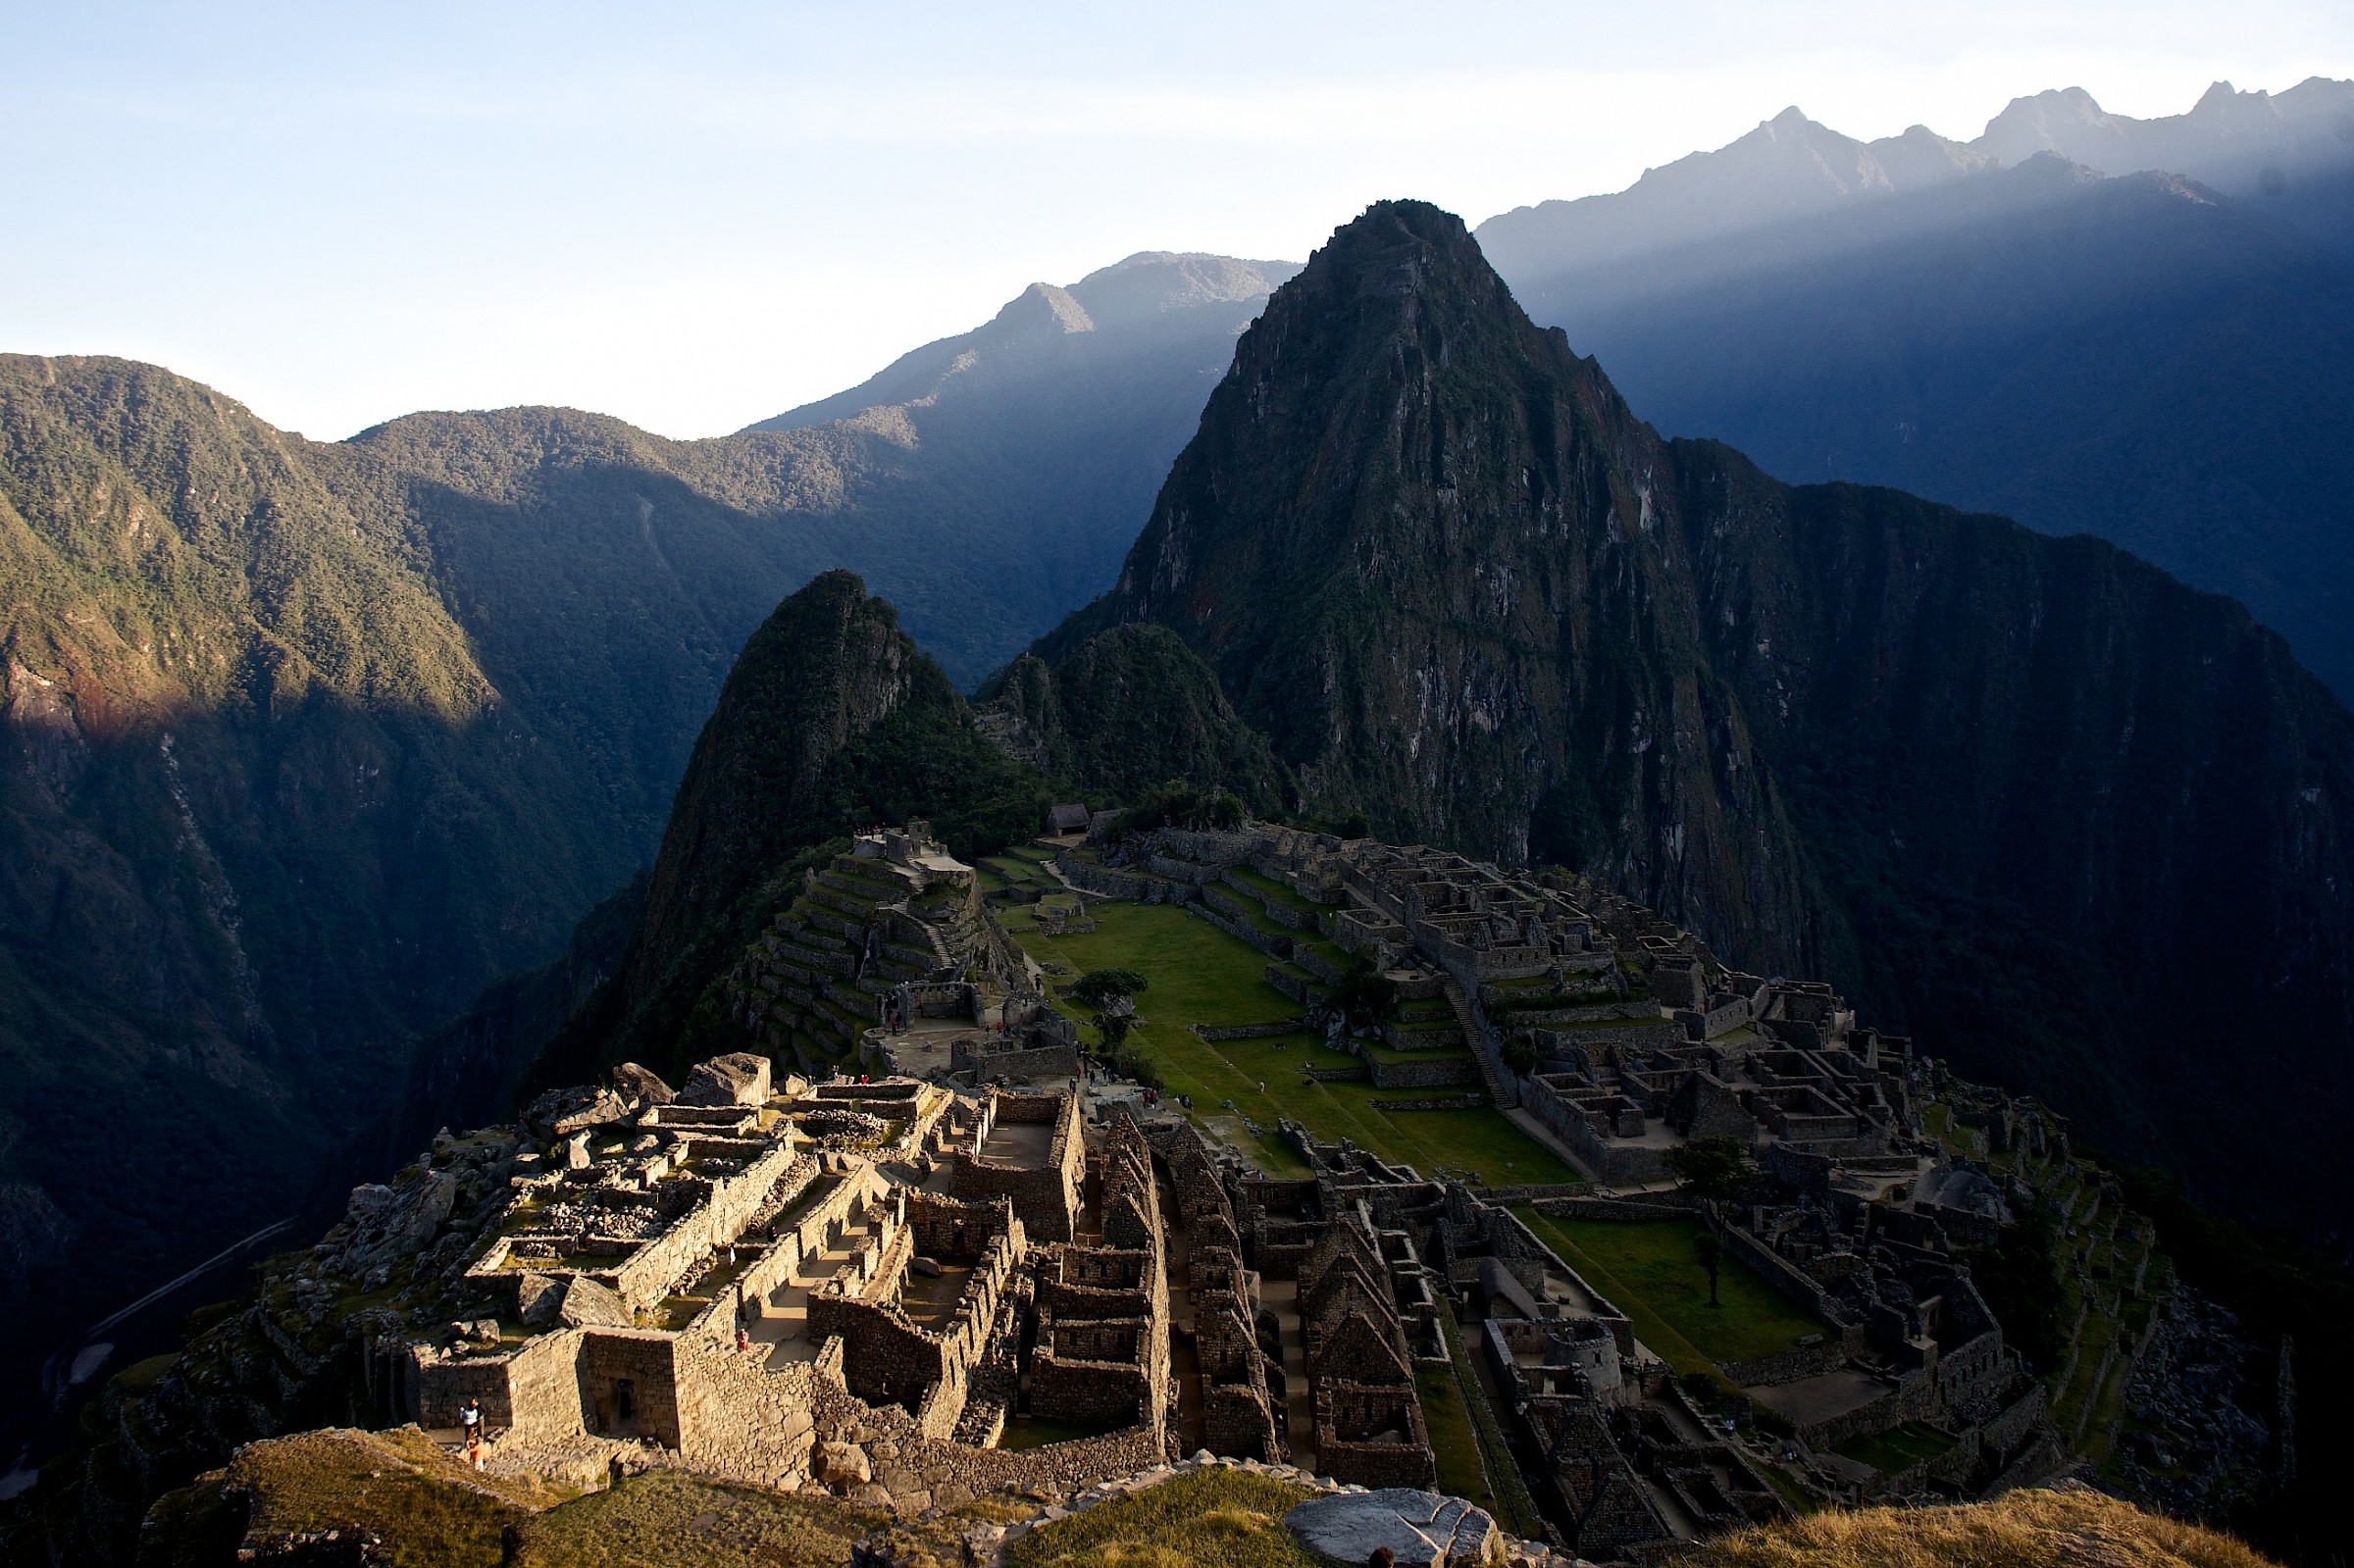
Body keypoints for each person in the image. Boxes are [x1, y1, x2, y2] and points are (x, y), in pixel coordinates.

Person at [459, 1397, 484, 1471]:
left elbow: (470, 1450)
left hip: (477, 1461)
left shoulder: (466, 1412)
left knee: (469, 1433)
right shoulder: (481, 1445)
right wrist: (470, 1441)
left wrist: (467, 1444)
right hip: (480, 1460)